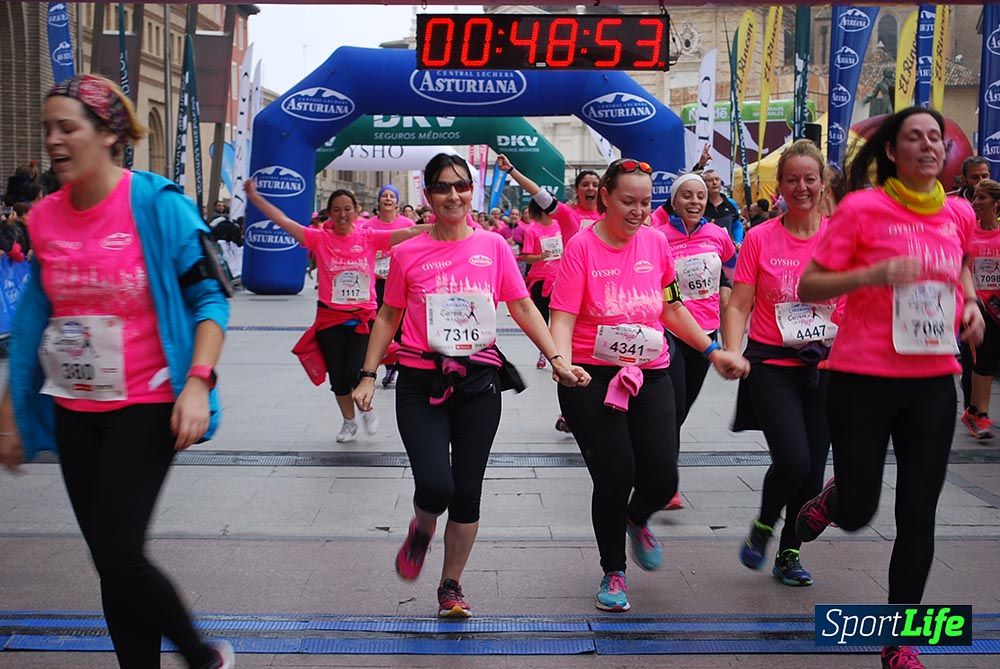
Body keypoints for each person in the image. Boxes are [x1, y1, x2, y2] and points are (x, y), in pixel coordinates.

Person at [0, 74, 233, 669]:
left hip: (148, 404)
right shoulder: (45, 219)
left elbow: (211, 300)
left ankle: (202, 658)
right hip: (75, 407)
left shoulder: (159, 206)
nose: (53, 140)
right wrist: (10, 409)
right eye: (47, 128)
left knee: (120, 553)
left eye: (67, 127)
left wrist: (198, 382)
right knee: (111, 558)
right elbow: (32, 321)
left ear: (108, 134)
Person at [352, 153, 589, 619]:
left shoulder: (494, 247)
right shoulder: (407, 252)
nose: (453, 195)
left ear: (471, 191)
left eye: (461, 185)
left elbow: (523, 307)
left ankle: (450, 584)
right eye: (443, 187)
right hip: (421, 381)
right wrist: (367, 375)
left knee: (466, 491)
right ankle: (422, 528)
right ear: (428, 195)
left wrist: (558, 359)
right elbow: (389, 314)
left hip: (479, 382)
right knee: (435, 485)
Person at [795, 107, 984, 669]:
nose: (928, 146)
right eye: (914, 138)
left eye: (935, 138)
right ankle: (835, 500)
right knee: (859, 511)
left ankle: (899, 640)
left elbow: (962, 267)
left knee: (919, 511)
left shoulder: (958, 212)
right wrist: (872, 275)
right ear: (893, 151)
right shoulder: (862, 209)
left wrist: (970, 304)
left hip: (933, 380)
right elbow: (810, 284)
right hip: (862, 379)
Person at [549, 158, 748, 613]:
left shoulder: (656, 242)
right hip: (591, 375)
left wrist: (712, 351)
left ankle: (637, 517)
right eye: (628, 202)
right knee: (616, 474)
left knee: (661, 478)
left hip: (651, 369)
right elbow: (562, 315)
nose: (638, 212)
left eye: (644, 203)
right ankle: (613, 571)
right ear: (605, 197)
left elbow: (671, 308)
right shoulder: (581, 247)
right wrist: (561, 362)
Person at [720, 140, 840, 587]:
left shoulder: (841, 236)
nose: (802, 187)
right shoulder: (760, 237)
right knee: (793, 459)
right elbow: (739, 304)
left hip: (828, 364)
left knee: (814, 470)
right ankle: (765, 522)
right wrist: (732, 350)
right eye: (792, 180)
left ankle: (790, 552)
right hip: (771, 362)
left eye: (810, 179)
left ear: (823, 183)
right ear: (780, 186)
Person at [246, 181, 426, 443]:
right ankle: (349, 421)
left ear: (356, 210)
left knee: (355, 371)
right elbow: (283, 221)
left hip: (362, 317)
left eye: (347, 209)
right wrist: (254, 197)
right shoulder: (319, 238)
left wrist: (441, 225)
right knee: (338, 379)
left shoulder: (368, 236)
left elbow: (409, 232)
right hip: (330, 318)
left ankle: (365, 406)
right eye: (337, 210)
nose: (343, 214)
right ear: (329, 213)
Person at [652, 173, 736, 511]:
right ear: (673, 201)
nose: (695, 201)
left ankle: (654, 456)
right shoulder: (659, 236)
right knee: (672, 408)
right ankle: (667, 484)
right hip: (670, 332)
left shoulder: (717, 235)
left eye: (700, 196)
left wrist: (728, 295)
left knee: (681, 409)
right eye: (686, 195)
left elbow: (731, 268)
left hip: (706, 333)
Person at [496, 154, 584, 369]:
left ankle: (563, 353)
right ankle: (547, 352)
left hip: (562, 279)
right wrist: (542, 256)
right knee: (543, 317)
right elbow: (527, 256)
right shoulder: (535, 229)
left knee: (562, 318)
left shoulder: (564, 223)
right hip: (540, 280)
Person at [959, 178, 1000, 439]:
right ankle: (979, 414)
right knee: (981, 361)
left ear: (996, 204)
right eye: (974, 196)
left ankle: (974, 411)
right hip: (977, 307)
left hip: (998, 306)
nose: (975, 202)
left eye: (982, 197)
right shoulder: (969, 232)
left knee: (990, 362)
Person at [365, 184, 416, 389]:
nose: (387, 199)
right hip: (378, 281)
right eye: (384, 196)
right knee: (382, 324)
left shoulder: (407, 224)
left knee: (402, 325)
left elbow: (417, 247)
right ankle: (388, 366)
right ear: (379, 201)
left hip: (402, 280)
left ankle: (403, 366)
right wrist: (372, 254)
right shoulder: (368, 225)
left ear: (397, 202)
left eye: (391, 196)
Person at [702, 169, 745, 248]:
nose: (714, 182)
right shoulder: (700, 204)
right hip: (707, 249)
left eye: (717, 179)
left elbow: (736, 224)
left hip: (728, 249)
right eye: (710, 180)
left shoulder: (731, 203)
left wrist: (738, 241)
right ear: (704, 184)